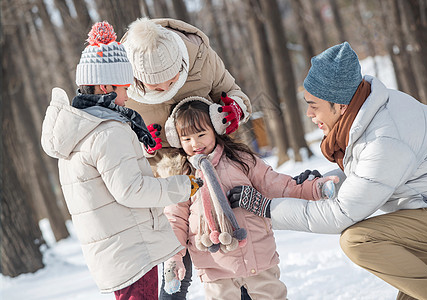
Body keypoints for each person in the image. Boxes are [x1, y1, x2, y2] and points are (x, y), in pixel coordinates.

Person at [228, 42, 427, 300]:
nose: (309, 113)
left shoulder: (384, 137)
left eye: (315, 105)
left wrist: (267, 207)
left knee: (358, 240)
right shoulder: (370, 110)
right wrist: (322, 185)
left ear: (341, 105)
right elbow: (368, 174)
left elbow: (341, 215)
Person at [40, 21, 201, 299]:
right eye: (124, 87)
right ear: (105, 86)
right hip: (134, 253)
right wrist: (183, 186)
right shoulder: (108, 131)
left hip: (117, 255)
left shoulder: (78, 131)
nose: (128, 96)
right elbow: (132, 190)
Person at [120, 17, 253, 299]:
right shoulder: (119, 85)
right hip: (167, 173)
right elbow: (117, 142)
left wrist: (235, 110)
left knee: (230, 239)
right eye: (156, 87)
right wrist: (142, 145)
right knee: (176, 245)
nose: (166, 87)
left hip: (214, 162)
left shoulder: (201, 59)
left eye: (171, 80)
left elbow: (237, 94)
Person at [159, 96, 338, 300]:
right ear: (177, 140)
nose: (195, 143)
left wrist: (314, 188)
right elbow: (174, 221)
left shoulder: (241, 161)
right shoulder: (181, 178)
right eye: (187, 139)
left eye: (201, 134)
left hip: (258, 260)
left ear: (216, 129)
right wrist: (173, 258)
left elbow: (276, 184)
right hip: (216, 270)